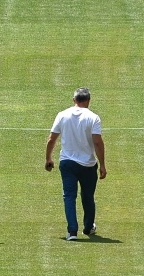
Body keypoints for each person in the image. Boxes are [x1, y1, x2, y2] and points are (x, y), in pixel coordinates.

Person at [45, 87, 106, 240]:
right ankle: (88, 227)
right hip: (88, 165)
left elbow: (52, 139)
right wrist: (103, 165)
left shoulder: (62, 115)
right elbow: (98, 143)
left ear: (74, 100)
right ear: (89, 100)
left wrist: (48, 158)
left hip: (67, 162)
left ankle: (72, 232)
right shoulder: (93, 118)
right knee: (88, 196)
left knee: (69, 197)